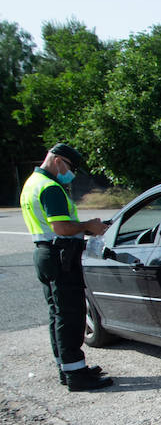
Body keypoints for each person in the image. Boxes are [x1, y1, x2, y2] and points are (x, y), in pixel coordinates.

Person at [21, 143, 113, 391]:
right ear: (59, 160)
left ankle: (68, 368)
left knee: (57, 314)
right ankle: (76, 375)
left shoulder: (31, 184)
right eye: (70, 167)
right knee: (70, 315)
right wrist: (88, 226)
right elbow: (61, 227)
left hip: (45, 254)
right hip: (59, 255)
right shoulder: (50, 188)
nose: (70, 173)